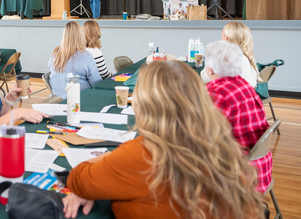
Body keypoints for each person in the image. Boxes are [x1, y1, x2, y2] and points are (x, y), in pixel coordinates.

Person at [63, 61, 263, 219]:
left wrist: (104, 158)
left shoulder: (142, 153)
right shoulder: (221, 144)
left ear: (144, 105)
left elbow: (78, 179)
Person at [204, 40, 271, 193]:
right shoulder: (244, 84)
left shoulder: (216, 93)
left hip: (239, 175)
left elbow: (202, 135)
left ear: (210, 70)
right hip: (260, 168)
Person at [49, 21, 102, 99]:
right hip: (79, 102)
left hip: (56, 101)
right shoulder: (86, 56)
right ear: (81, 36)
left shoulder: (55, 54)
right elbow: (96, 83)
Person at [201, 21, 259, 88]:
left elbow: (205, 79)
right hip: (246, 95)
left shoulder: (228, 59)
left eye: (222, 32)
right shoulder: (246, 57)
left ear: (226, 38)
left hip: (230, 96)